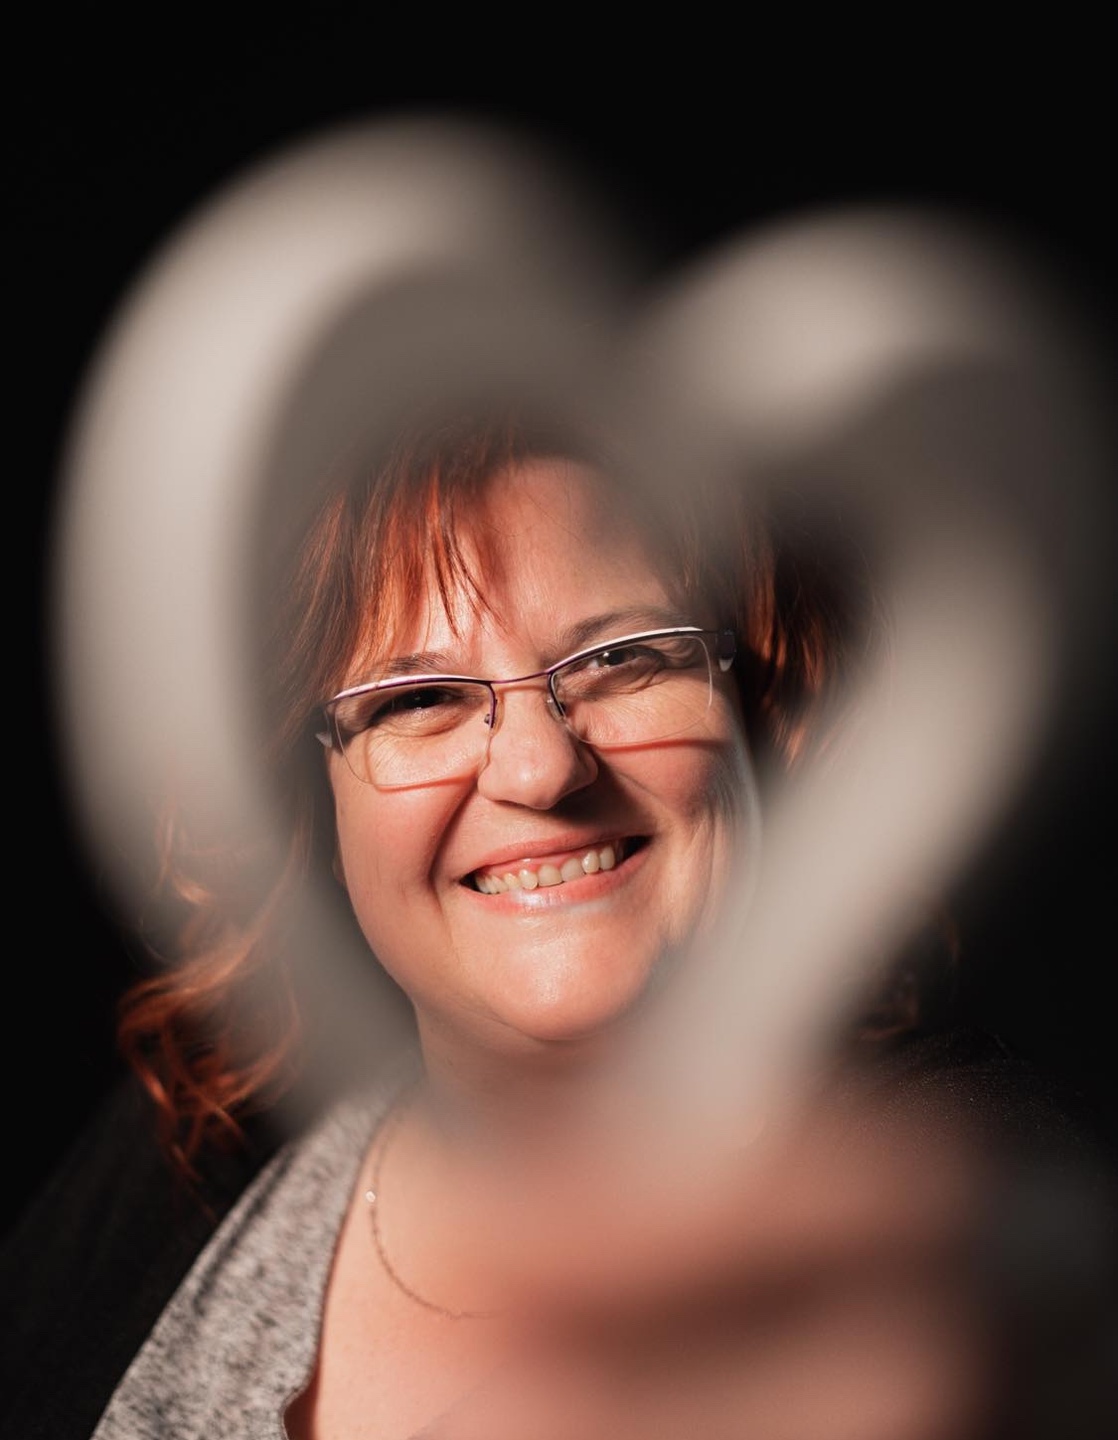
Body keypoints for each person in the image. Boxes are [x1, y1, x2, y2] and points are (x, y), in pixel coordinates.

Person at [3, 405, 1115, 1440]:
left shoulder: (943, 1224)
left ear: (758, 712)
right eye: (418, 700)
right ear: (314, 809)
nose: (539, 769)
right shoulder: (197, 1152)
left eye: (623, 659)